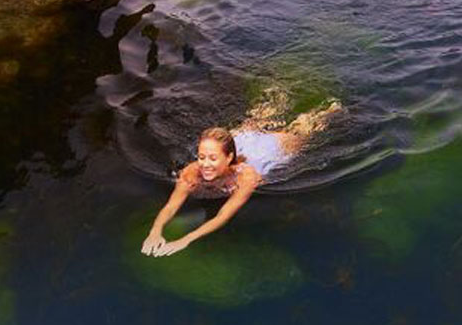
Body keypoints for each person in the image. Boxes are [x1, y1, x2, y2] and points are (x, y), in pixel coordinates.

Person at [140, 92, 339, 257]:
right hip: (242, 140)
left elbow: (223, 216)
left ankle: (331, 109)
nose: (205, 164)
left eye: (212, 158)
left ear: (228, 158)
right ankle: (275, 96)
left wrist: (185, 240)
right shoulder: (190, 174)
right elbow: (170, 206)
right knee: (252, 123)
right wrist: (155, 232)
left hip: (268, 151)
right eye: (201, 157)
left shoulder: (247, 177)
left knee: (303, 130)